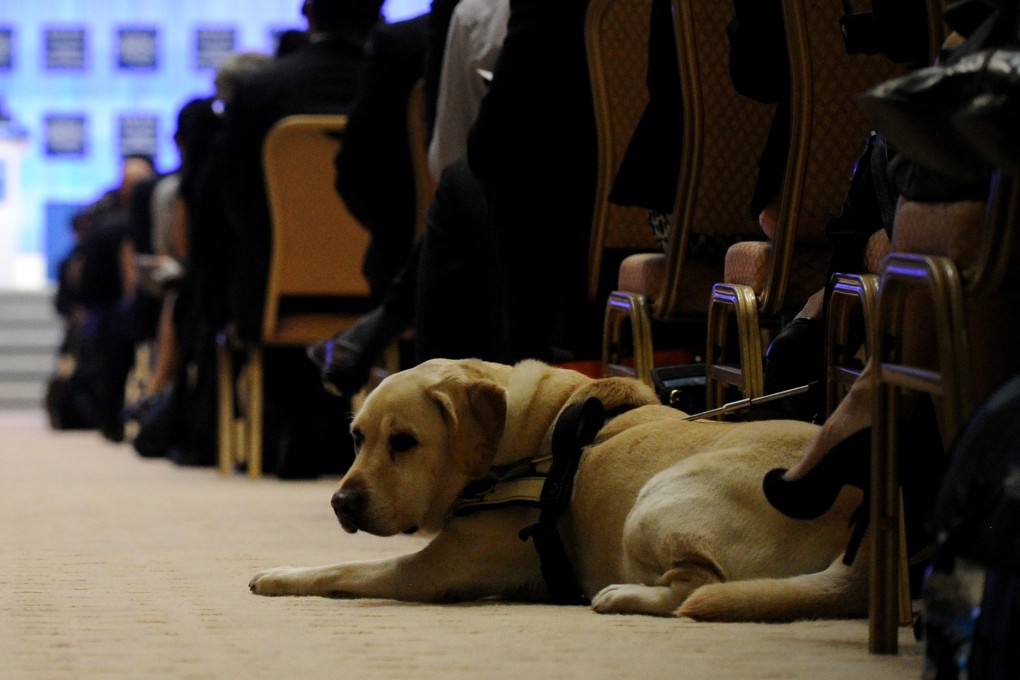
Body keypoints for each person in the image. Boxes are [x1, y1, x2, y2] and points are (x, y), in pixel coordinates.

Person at [219, 0, 384, 344]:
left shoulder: (257, 90)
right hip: (383, 295)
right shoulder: (396, 86)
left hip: (276, 298)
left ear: (308, 14)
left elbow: (235, 199)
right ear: (378, 15)